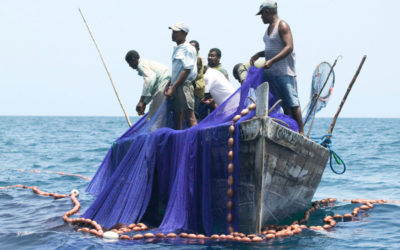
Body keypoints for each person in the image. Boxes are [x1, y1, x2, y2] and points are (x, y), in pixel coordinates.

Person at [250, 0, 304, 135]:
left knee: (292, 102)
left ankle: (301, 132)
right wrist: (260, 54)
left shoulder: (282, 25)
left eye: (262, 14)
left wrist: (272, 61)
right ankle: (291, 130)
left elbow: (289, 47)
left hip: (285, 72)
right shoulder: (268, 28)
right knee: (284, 104)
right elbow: (272, 48)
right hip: (272, 73)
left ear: (268, 12)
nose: (261, 17)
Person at [164, 22, 198, 130]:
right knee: (178, 116)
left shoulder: (188, 48)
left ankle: (195, 140)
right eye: (172, 32)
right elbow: (177, 70)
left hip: (184, 85)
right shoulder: (177, 48)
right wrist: (169, 84)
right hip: (177, 85)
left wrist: (173, 88)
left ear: (184, 33)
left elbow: (187, 70)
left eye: (176, 32)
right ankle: (180, 141)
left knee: (189, 115)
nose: (173, 34)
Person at [125, 50, 170, 120]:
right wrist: (144, 103)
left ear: (133, 59)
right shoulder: (146, 63)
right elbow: (152, 86)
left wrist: (141, 101)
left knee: (153, 116)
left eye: (129, 63)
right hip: (166, 85)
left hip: (163, 85)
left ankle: (154, 130)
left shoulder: (141, 65)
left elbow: (150, 79)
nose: (129, 66)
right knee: (159, 114)